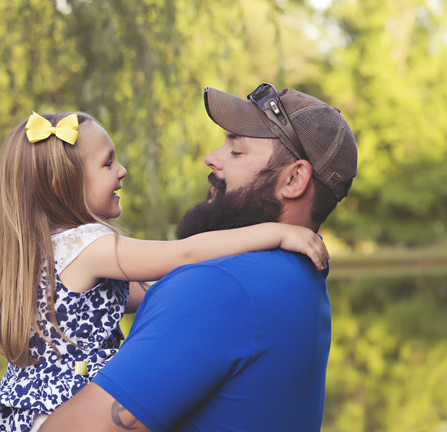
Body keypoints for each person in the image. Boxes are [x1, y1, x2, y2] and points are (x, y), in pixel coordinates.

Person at [39, 83, 358, 432]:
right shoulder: (303, 275)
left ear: (294, 179)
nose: (211, 157)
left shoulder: (221, 286)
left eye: (236, 151)